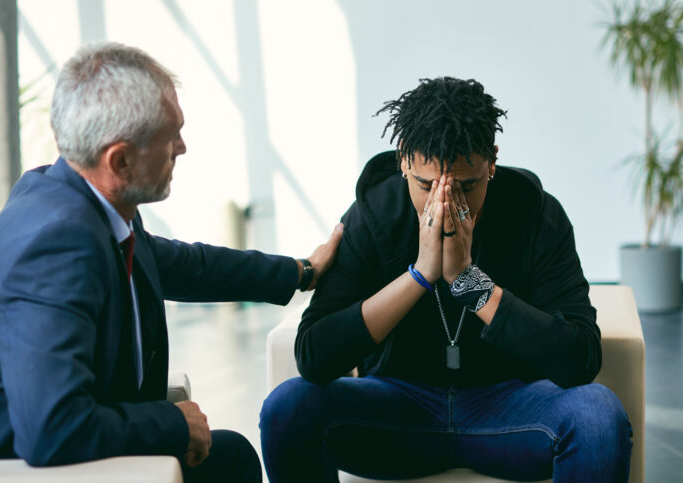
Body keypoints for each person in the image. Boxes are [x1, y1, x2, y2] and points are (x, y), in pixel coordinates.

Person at [0, 42, 342, 483]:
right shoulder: (56, 248)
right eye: (171, 135)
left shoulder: (73, 201)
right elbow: (53, 432)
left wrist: (302, 271)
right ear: (119, 160)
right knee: (229, 460)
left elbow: (190, 265)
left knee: (230, 457)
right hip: (1, 475)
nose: (182, 147)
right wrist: (174, 424)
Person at [260, 77, 631, 482]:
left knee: (597, 416)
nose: (447, 201)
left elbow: (580, 358)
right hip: (397, 407)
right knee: (288, 406)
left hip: (509, 407)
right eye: (425, 185)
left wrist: (468, 281)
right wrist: (419, 276)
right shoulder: (373, 215)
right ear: (403, 160)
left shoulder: (535, 214)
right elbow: (314, 357)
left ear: (492, 160)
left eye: (468, 186)